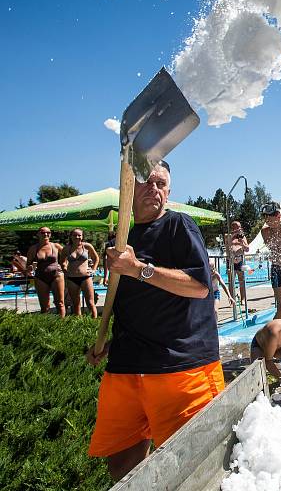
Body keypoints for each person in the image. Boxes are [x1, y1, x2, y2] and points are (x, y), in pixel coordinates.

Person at [85, 161, 223, 481]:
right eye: (146, 182)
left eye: (161, 184)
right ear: (128, 190)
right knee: (122, 470)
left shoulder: (179, 226)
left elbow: (200, 286)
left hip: (179, 368)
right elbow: (130, 303)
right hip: (126, 367)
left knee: (192, 468)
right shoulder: (125, 240)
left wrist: (138, 269)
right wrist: (109, 343)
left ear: (169, 192)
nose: (154, 189)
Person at [26, 227, 65, 317]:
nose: (46, 234)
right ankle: (46, 327)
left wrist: (64, 265)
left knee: (60, 303)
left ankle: (63, 326)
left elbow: (68, 255)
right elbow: (28, 265)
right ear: (38, 234)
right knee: (44, 306)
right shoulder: (33, 249)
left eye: (48, 232)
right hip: (40, 277)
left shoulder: (56, 246)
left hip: (57, 275)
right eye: (43, 232)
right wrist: (30, 268)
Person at [60, 228, 99, 317]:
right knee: (76, 303)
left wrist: (93, 269)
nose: (77, 237)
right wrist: (65, 270)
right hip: (72, 278)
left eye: (79, 235)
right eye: (74, 235)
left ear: (82, 236)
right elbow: (62, 261)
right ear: (71, 237)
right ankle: (79, 322)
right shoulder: (66, 249)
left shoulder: (87, 246)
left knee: (90, 302)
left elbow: (96, 258)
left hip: (86, 277)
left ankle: (95, 324)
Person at [227, 221, 249, 303]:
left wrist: (242, 243)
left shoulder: (242, 237)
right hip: (231, 260)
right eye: (237, 227)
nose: (239, 228)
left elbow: (247, 249)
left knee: (241, 280)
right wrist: (234, 234)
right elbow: (228, 244)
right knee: (231, 281)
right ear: (233, 227)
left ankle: (243, 299)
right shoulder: (228, 236)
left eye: (240, 227)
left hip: (240, 260)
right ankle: (232, 299)